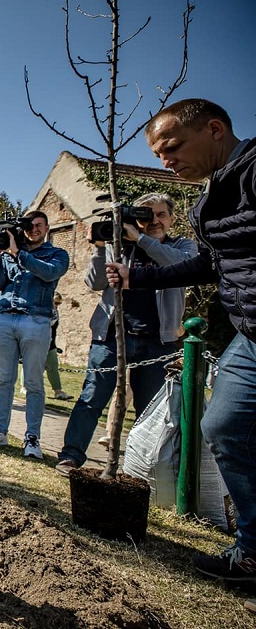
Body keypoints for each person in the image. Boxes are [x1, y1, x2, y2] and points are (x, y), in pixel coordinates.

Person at [106, 99, 256, 581]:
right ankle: (253, 551)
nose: (165, 161)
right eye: (158, 153)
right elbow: (209, 265)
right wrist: (136, 277)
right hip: (249, 336)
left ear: (215, 129)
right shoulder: (209, 197)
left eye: (170, 147)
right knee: (224, 426)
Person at [56, 192, 197, 477]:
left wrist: (141, 239)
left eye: (161, 215)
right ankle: (71, 456)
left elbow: (179, 267)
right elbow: (94, 283)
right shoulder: (119, 246)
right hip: (112, 336)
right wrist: (100, 248)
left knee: (149, 411)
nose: (155, 221)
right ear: (137, 218)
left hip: (159, 341)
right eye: (148, 215)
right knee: (92, 398)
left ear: (171, 219)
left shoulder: (183, 246)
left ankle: (139, 469)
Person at [0, 211, 69, 459]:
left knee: (33, 383)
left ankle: (32, 438)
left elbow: (49, 273)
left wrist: (19, 254)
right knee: (4, 380)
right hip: (5, 317)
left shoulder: (56, 254)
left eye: (38, 225)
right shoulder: (10, 253)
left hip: (36, 319)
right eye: (29, 226)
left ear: (47, 228)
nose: (33, 230)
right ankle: (0, 430)